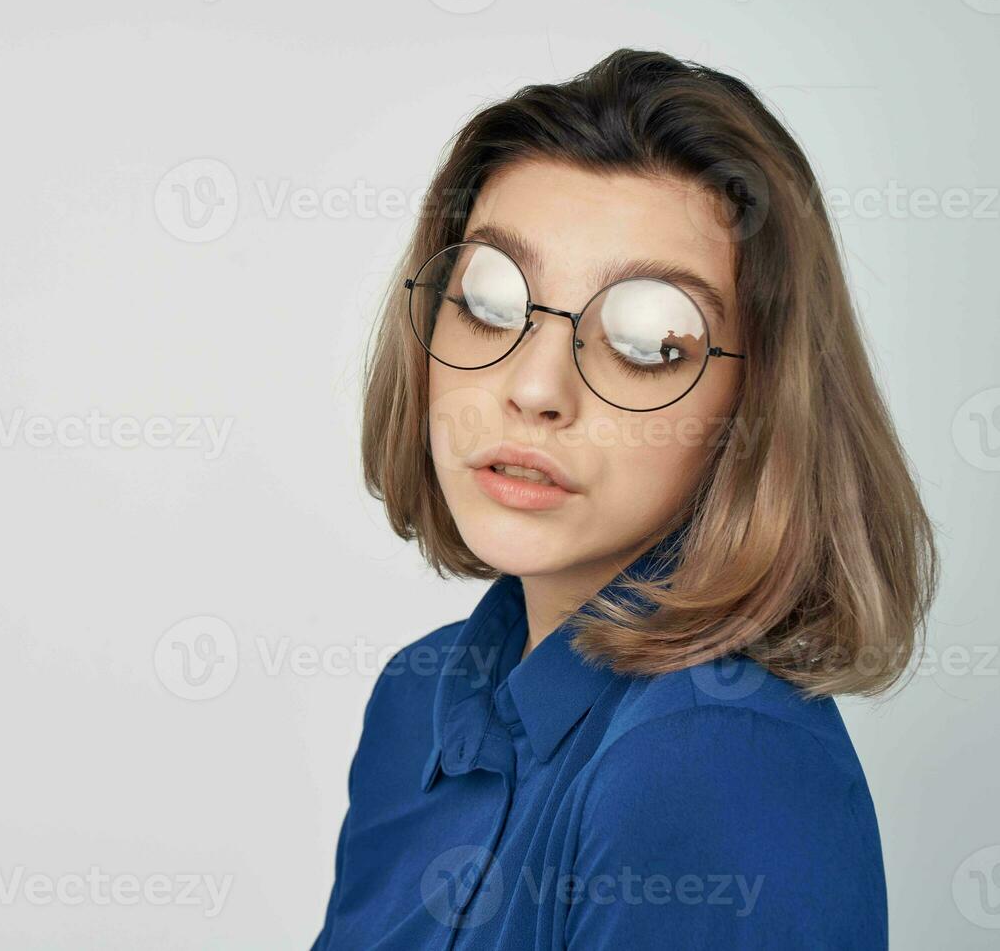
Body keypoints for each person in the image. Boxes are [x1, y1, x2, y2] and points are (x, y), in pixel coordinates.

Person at [310, 48, 937, 950]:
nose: (535, 388)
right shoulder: (418, 703)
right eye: (489, 299)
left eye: (648, 339)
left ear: (757, 408)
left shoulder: (715, 760)